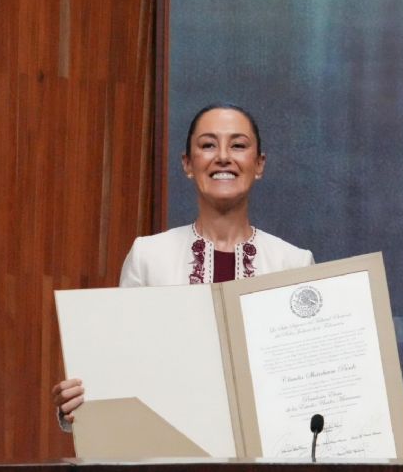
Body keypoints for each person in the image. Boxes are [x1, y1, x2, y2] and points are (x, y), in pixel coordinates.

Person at [52, 102, 314, 430]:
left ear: (258, 164)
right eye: (207, 145)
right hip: (169, 454)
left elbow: (307, 385)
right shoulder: (148, 257)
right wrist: (76, 407)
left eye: (238, 145)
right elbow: (118, 366)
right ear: (188, 164)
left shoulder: (294, 262)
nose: (223, 156)